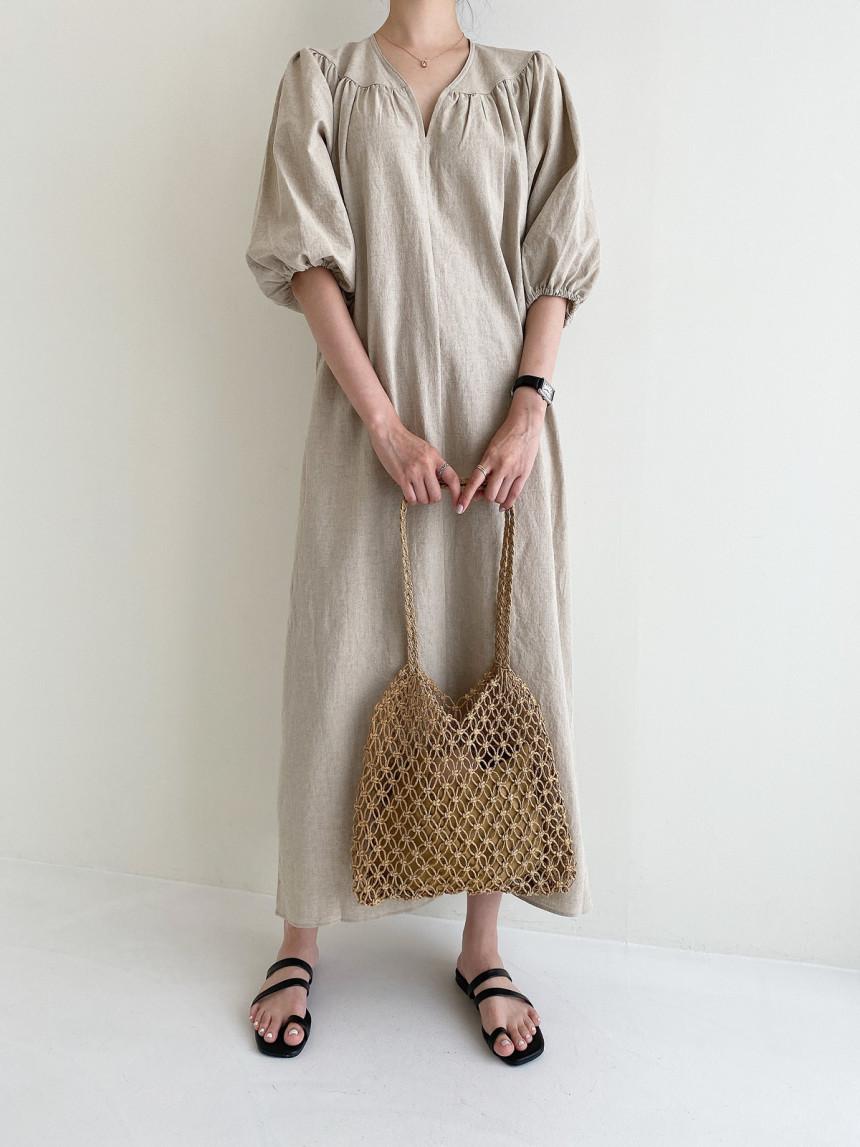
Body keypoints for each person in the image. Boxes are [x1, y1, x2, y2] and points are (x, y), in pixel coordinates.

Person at [244, 0, 600, 1063]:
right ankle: (300, 935)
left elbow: (556, 264)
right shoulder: (323, 80)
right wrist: (383, 423)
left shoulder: (529, 86)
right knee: (337, 665)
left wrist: (528, 407)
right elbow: (307, 263)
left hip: (501, 437)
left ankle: (480, 946)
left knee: (498, 662)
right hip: (370, 430)